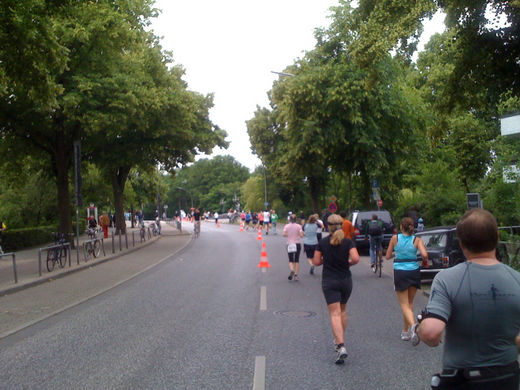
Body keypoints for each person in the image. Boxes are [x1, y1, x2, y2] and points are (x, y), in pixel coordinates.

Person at [415, 209, 520, 389]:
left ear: (461, 243)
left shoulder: (447, 279)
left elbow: (431, 334)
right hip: (507, 378)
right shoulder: (516, 279)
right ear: (496, 237)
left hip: (462, 380)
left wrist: (420, 326)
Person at [313, 213, 360, 364]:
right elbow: (356, 258)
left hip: (329, 281)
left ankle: (340, 346)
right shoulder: (348, 242)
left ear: (327, 226)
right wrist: (347, 263)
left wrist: (326, 260)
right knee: (343, 311)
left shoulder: (323, 242)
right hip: (346, 280)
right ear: (341, 225)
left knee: (334, 314)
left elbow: (316, 261)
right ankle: (339, 340)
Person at [385, 217, 428, 341]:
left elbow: (387, 256)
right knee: (409, 303)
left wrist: (396, 253)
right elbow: (424, 255)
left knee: (404, 304)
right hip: (414, 271)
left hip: (400, 272)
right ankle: (405, 331)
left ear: (401, 227)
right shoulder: (417, 239)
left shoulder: (395, 238)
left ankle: (413, 326)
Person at [282, 215, 304, 281]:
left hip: (290, 244)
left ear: (289, 219)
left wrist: (288, 235)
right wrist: (300, 234)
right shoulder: (299, 226)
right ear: (296, 219)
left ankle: (292, 270)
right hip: (297, 244)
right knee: (297, 260)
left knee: (291, 260)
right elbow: (301, 235)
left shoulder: (286, 226)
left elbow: (283, 234)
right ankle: (296, 275)